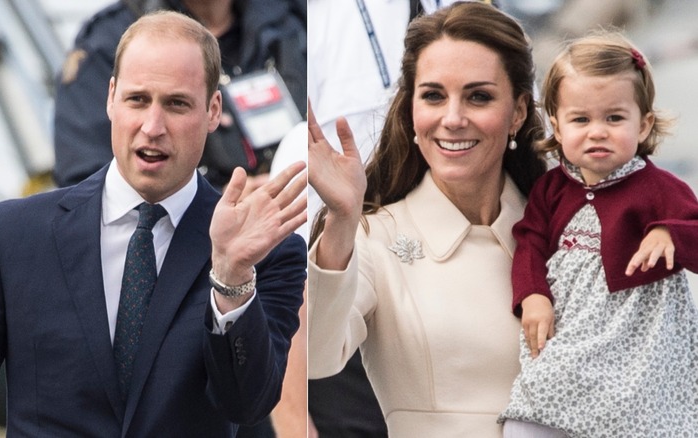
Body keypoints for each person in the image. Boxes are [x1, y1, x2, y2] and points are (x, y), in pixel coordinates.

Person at [0, 11, 307, 438]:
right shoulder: (13, 236)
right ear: (110, 98)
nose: (152, 127)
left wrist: (232, 277)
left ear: (214, 110)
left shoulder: (268, 253)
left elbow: (248, 404)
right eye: (138, 100)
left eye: (176, 104)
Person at [307, 2, 546, 436]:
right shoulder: (374, 237)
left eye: (479, 96)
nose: (452, 119)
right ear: (411, 110)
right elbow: (318, 355)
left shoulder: (563, 230)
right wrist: (341, 221)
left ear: (518, 112)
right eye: (433, 95)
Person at [499, 31, 698, 437]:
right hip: (570, 328)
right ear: (556, 126)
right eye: (580, 119)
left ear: (643, 125)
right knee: (534, 406)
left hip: (636, 336)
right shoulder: (551, 188)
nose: (597, 131)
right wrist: (532, 294)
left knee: (631, 413)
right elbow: (530, 243)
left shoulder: (660, 187)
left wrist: (669, 234)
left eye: (614, 118)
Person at [53, 0, 306, 190]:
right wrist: (211, 208)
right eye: (139, 100)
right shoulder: (105, 47)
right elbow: (86, 194)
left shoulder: (298, 21)